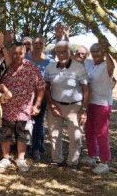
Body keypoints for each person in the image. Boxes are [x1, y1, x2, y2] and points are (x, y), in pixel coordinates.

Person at [0, 42, 45, 172]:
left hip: (24, 110)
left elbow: (41, 87)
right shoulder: (6, 68)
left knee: (23, 135)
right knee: (5, 134)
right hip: (7, 108)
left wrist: (37, 105)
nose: (17, 56)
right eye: (14, 53)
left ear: (25, 53)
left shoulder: (31, 68)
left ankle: (20, 159)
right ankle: (6, 158)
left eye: (20, 53)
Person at [44, 41, 89, 169]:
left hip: (74, 107)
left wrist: (84, 109)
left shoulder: (79, 67)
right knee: (54, 134)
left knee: (75, 136)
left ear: (69, 52)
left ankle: (72, 163)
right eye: (58, 52)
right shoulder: (50, 67)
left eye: (64, 51)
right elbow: (46, 87)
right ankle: (57, 160)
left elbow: (86, 89)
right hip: (55, 105)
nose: (61, 54)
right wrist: (52, 105)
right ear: (56, 53)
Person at [82, 43, 114, 174]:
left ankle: (105, 161)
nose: (95, 54)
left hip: (103, 104)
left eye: (98, 51)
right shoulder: (89, 63)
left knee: (101, 133)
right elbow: (74, 56)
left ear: (104, 52)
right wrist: (65, 37)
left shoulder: (106, 65)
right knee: (89, 131)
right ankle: (92, 156)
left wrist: (107, 49)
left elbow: (112, 65)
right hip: (89, 102)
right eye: (93, 51)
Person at [25, 36, 54, 161]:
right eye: (35, 43)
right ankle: (23, 146)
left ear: (44, 45)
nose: (37, 45)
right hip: (25, 96)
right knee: (24, 122)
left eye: (40, 43)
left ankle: (36, 148)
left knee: (38, 122)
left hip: (42, 96)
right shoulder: (25, 57)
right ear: (32, 44)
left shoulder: (49, 61)